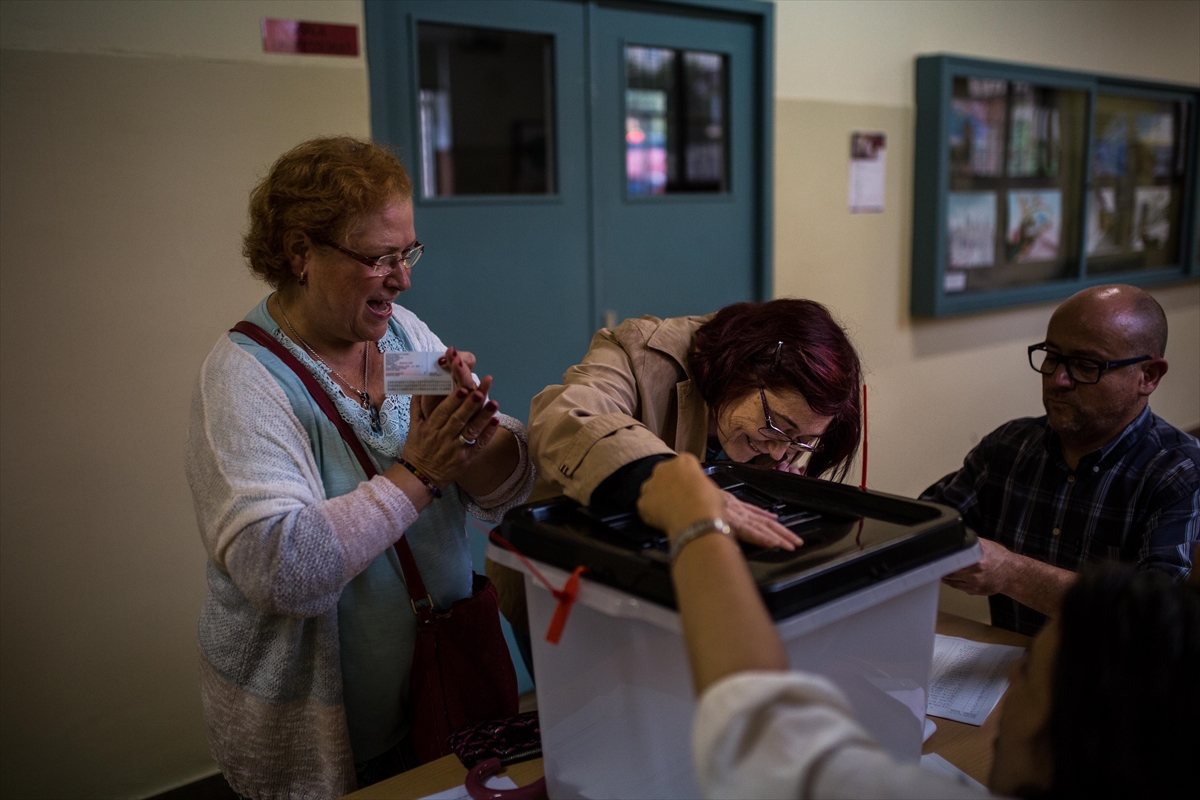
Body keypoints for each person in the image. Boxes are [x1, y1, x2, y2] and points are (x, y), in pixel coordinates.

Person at [184, 136, 535, 799]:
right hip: (326, 738)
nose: (402, 280)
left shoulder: (398, 339)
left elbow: (502, 486)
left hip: (441, 696)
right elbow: (281, 568)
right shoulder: (243, 380)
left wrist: (479, 435)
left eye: (407, 253)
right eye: (380, 258)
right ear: (300, 254)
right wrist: (419, 476)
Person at [637, 454, 1199, 799]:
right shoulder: (1014, 443)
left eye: (1027, 673)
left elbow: (767, 741)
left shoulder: (1175, 471)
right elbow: (918, 521)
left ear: (1059, 746)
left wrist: (694, 518)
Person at [490, 300, 862, 657]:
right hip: (564, 583)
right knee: (584, 717)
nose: (781, 452)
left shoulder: (774, 434)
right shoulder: (641, 351)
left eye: (799, 441)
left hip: (667, 602)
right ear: (748, 367)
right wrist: (672, 485)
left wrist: (770, 488)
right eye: (778, 425)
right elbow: (564, 416)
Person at [923, 284, 1199, 635]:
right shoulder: (1010, 446)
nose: (1058, 380)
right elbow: (927, 524)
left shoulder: (1181, 473)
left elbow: (1153, 622)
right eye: (1051, 357)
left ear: (1148, 376)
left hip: (1111, 684)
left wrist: (1012, 573)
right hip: (1013, 671)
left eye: (1086, 366)